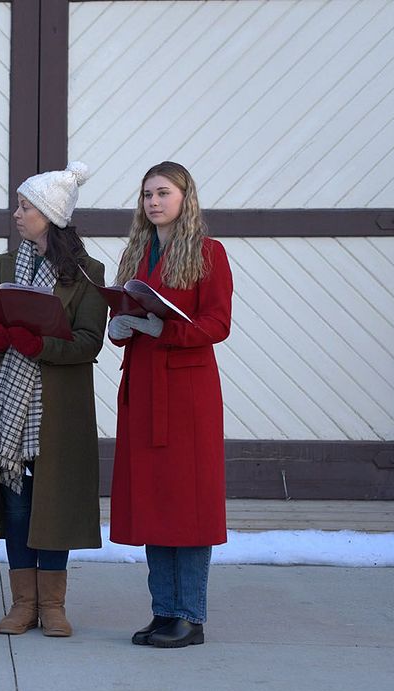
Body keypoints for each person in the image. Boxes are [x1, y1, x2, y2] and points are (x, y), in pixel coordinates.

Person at [0, 162, 106, 637]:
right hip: (8, 405)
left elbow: (90, 343)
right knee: (18, 504)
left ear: (49, 214)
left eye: (25, 207)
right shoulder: (6, 266)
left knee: (55, 503)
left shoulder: (89, 273)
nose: (17, 214)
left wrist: (40, 345)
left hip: (58, 410)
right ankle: (23, 603)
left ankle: (54, 605)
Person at [108, 161, 233, 648]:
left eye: (163, 193)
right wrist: (119, 329)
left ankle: (190, 616)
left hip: (187, 397)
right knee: (155, 503)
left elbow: (217, 323)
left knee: (189, 504)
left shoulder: (209, 253)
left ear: (185, 197)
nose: (154, 202)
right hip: (143, 390)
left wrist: (169, 329)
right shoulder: (137, 253)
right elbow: (126, 311)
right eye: (146, 195)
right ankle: (164, 612)